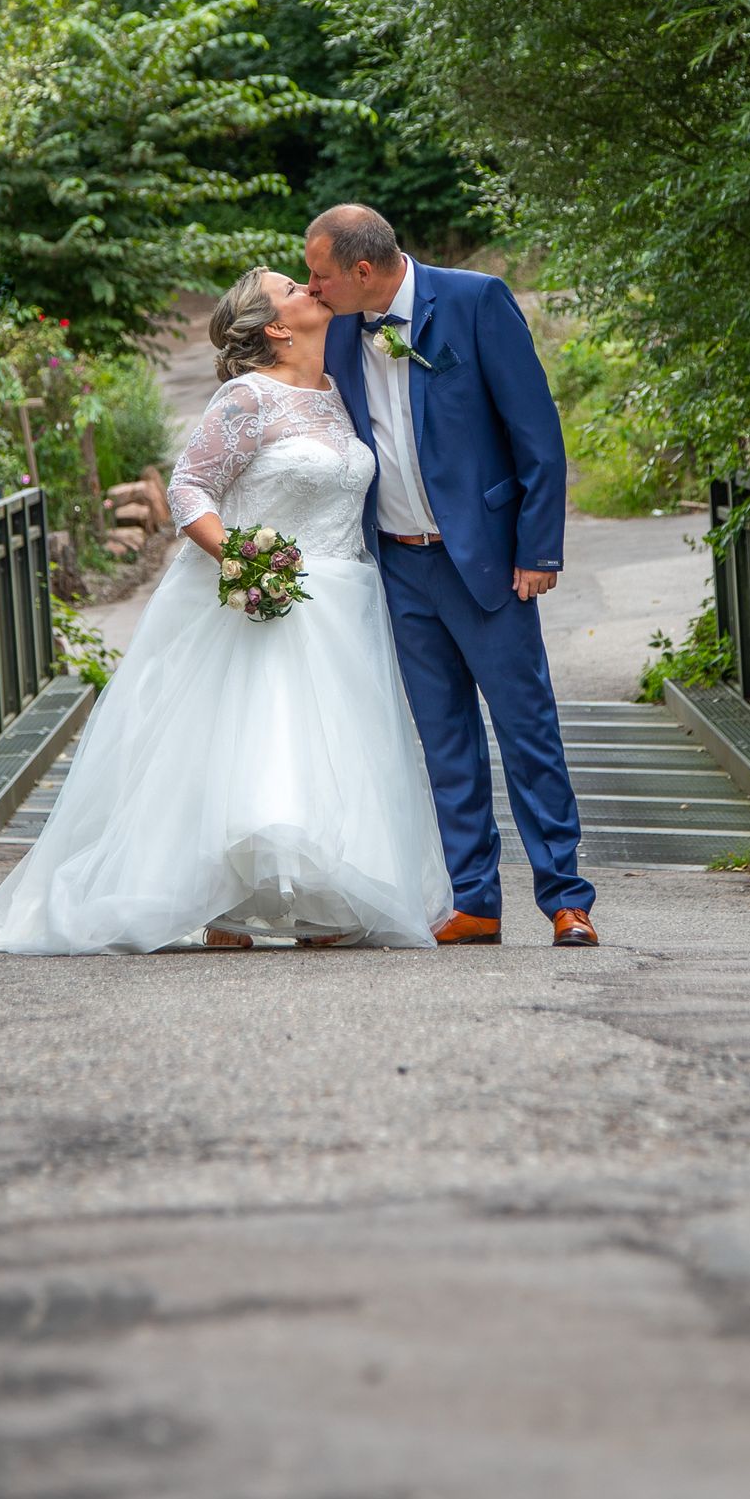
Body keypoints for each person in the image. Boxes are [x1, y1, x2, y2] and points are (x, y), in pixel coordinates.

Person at [0, 269, 450, 956]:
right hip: (263, 594)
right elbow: (190, 487)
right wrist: (245, 559)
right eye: (293, 286)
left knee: (336, 749)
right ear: (276, 325)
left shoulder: (339, 391)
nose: (312, 287)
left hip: (343, 600)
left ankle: (326, 897)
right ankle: (222, 899)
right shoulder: (247, 396)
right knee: (251, 747)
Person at [306, 204, 598, 947]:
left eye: (321, 275)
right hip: (398, 565)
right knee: (444, 740)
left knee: (526, 729)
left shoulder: (475, 301)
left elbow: (539, 438)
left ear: (363, 272)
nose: (312, 288)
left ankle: (567, 899)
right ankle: (475, 901)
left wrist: (539, 550)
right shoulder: (336, 327)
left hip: (489, 561)